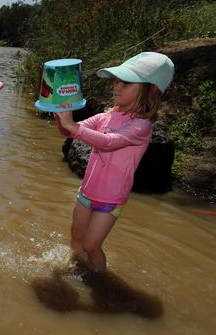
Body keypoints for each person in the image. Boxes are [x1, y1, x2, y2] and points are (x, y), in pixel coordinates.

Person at [53, 52, 174, 272]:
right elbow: (69, 132)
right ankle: (75, 270)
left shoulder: (141, 126)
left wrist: (72, 127)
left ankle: (100, 282)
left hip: (111, 200)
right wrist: (60, 114)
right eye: (116, 80)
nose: (117, 86)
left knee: (91, 246)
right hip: (86, 193)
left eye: (126, 82)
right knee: (76, 237)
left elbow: (108, 142)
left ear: (151, 89)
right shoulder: (105, 116)